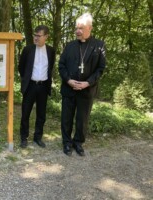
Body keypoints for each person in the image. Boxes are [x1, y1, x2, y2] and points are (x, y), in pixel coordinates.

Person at [58, 13, 106, 156]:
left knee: (82, 119)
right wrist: (68, 80)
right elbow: (61, 65)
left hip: (86, 90)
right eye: (76, 28)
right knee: (66, 118)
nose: (77, 31)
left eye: (81, 28)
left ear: (90, 28)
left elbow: (100, 69)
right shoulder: (69, 46)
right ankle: (67, 143)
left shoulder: (99, 46)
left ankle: (78, 142)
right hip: (69, 88)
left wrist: (87, 83)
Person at [18, 25, 56, 148]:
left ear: (46, 37)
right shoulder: (27, 49)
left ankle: (38, 137)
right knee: (25, 113)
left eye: (39, 36)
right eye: (35, 35)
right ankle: (24, 138)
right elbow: (21, 67)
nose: (35, 38)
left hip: (43, 86)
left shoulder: (51, 51)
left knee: (41, 114)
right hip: (30, 86)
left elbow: (50, 68)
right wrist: (26, 80)